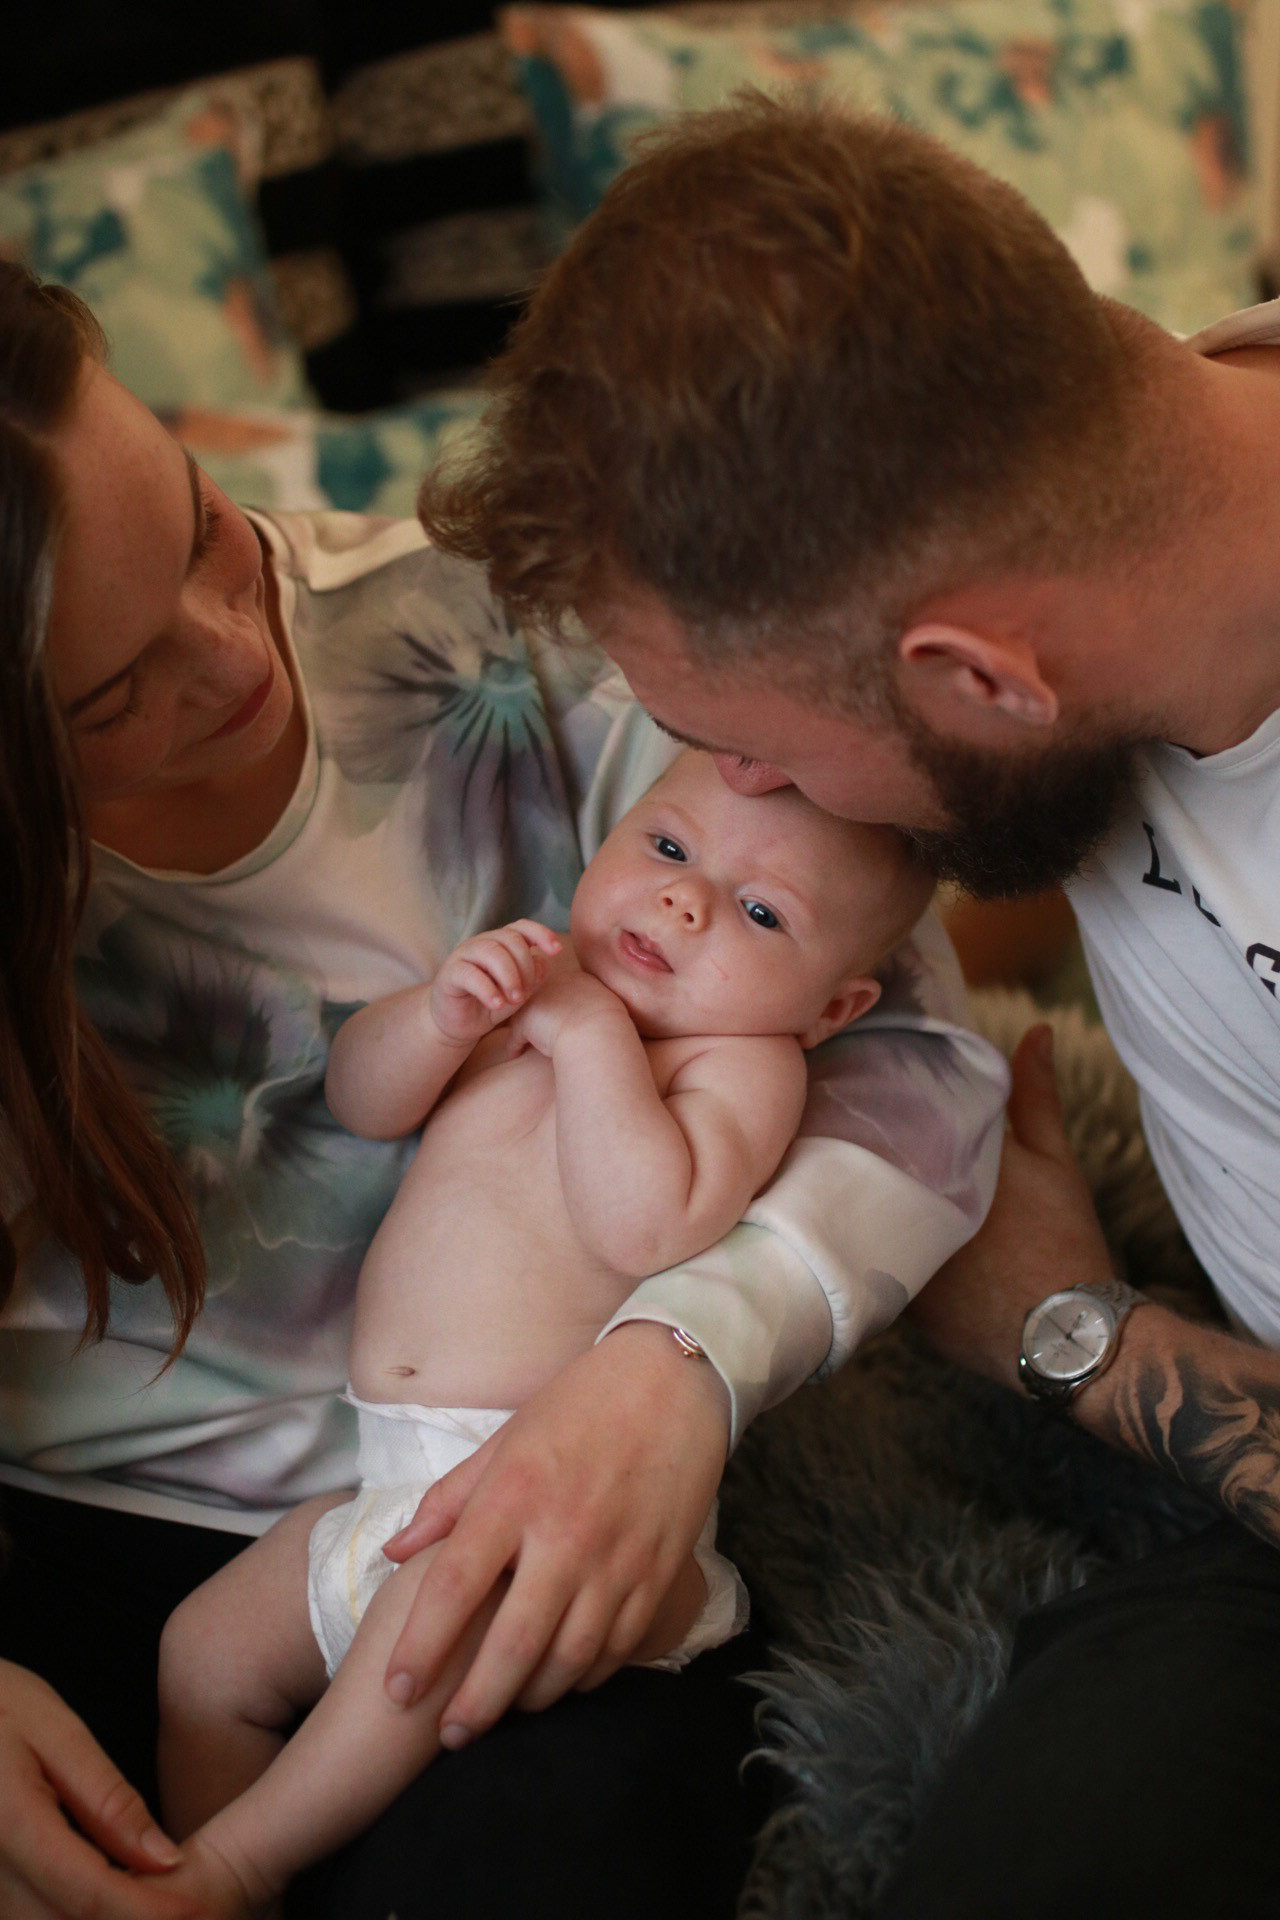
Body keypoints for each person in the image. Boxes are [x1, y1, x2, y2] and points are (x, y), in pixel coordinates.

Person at [0, 257, 1009, 1920]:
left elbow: (919, 1064)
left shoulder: (510, 641)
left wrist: (676, 1368)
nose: (231, 651)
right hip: (97, 1513)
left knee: (549, 1843)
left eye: (198, 527)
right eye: (110, 696)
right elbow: (368, 1086)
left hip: (526, 1465)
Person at [419, 95, 1280, 1917]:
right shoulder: (1144, 465)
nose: (738, 798)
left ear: (982, 681)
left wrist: (1072, 1335)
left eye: (757, 753)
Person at [155, 751, 934, 1916]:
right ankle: (194, 1873)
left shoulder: (740, 1064)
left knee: (413, 1648)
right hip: (389, 1483)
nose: (683, 900)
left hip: (547, 1499)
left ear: (832, 1008)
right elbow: (365, 1101)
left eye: (761, 913)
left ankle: (238, 1863)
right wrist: (439, 1015)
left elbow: (645, 1222)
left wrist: (585, 1039)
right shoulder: (535, 974)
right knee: (201, 1654)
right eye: (666, 848)